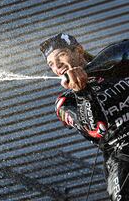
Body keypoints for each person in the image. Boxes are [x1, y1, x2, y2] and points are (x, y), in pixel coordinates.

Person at [39, 33, 129, 200]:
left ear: (78, 50)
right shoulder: (65, 102)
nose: (57, 65)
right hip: (122, 157)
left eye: (61, 55)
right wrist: (81, 92)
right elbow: (95, 129)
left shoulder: (116, 65)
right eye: (51, 64)